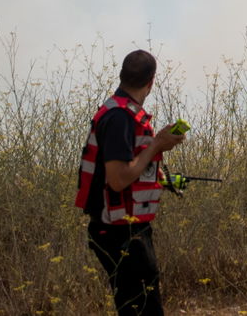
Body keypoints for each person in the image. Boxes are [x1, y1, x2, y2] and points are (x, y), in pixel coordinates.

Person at [75, 50, 186, 316]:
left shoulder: (125, 113)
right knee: (143, 309)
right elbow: (117, 179)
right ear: (152, 81)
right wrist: (158, 143)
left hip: (128, 228)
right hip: (117, 231)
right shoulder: (119, 118)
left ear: (122, 75)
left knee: (139, 305)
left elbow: (129, 168)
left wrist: (161, 178)